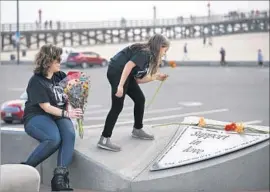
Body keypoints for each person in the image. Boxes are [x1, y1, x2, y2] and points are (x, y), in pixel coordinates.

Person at [21, 44, 82, 191]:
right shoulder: (36, 81)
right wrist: (67, 114)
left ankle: (59, 180)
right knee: (53, 139)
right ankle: (23, 171)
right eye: (57, 60)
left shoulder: (60, 76)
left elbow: (71, 94)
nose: (60, 62)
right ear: (48, 62)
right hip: (37, 116)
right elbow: (46, 107)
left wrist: (76, 99)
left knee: (69, 134)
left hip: (57, 115)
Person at [97, 34, 170, 152]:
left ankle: (137, 129)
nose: (164, 54)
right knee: (117, 106)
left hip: (125, 75)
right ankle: (104, 139)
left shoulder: (148, 55)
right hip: (117, 72)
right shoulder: (145, 53)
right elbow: (128, 66)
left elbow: (138, 80)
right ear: (160, 46)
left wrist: (156, 77)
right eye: (165, 50)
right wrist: (120, 86)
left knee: (140, 99)